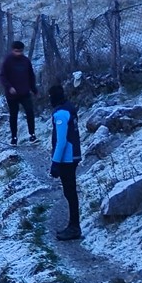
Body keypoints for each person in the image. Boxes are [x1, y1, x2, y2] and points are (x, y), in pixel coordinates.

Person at [48, 84, 82, 241]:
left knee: (69, 192)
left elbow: (61, 141)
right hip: (74, 154)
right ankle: (74, 225)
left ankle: (74, 227)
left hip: (66, 158)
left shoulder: (60, 113)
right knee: (71, 192)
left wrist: (55, 162)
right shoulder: (70, 108)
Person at [0, 41, 38, 145]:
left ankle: (32, 135)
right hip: (12, 94)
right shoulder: (8, 61)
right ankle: (14, 137)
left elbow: (31, 75)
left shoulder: (26, 61)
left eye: (20, 51)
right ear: (12, 50)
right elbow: (2, 76)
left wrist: (33, 88)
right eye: (16, 51)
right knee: (13, 115)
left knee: (30, 112)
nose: (18, 53)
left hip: (25, 92)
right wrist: (9, 87)